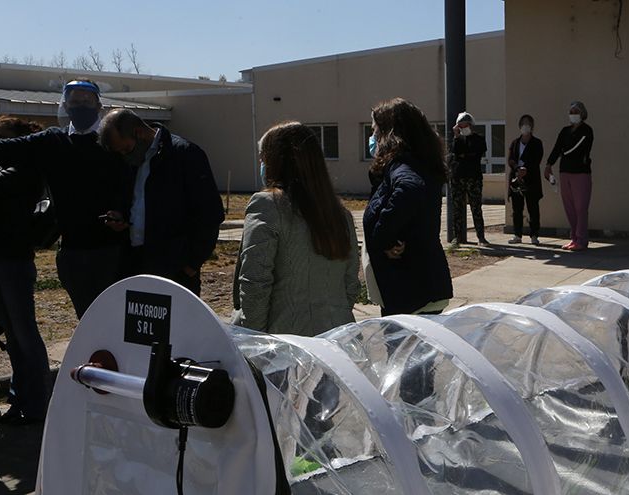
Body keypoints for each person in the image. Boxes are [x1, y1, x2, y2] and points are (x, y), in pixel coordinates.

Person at [0, 79, 132, 318]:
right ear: (65, 105)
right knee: (87, 320)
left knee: (115, 319)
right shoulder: (52, 140)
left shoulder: (114, 142)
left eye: (86, 100)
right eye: (74, 100)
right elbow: (3, 148)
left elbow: (132, 186)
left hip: (111, 251)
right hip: (70, 252)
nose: (80, 105)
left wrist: (124, 213)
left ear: (98, 104)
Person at [231, 121, 359, 336]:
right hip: (335, 337)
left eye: (263, 159)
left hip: (283, 342)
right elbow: (351, 282)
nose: (261, 164)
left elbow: (255, 283)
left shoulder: (268, 205)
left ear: (276, 161)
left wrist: (254, 340)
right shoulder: (339, 214)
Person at [98, 109, 224, 295]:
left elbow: (210, 214)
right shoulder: (132, 161)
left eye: (125, 149)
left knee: (177, 324)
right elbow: (137, 203)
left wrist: (191, 264)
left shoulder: (184, 154)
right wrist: (122, 216)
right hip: (135, 264)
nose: (124, 156)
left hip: (175, 271)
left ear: (138, 133)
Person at [0, 117, 52, 425]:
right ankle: (19, 399)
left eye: (3, 139)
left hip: (13, 262)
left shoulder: (26, 169)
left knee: (23, 335)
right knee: (11, 334)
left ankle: (36, 404)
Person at [363, 98, 453, 316]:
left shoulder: (402, 165)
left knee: (402, 350)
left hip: (409, 290)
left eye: (375, 130)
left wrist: (383, 237)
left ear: (388, 132)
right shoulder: (423, 162)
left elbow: (409, 189)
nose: (373, 136)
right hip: (424, 285)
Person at [544, 100, 594, 251]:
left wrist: (563, 152)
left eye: (576, 112)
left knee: (580, 207)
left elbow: (575, 148)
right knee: (569, 207)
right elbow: (557, 147)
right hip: (565, 172)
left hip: (581, 173)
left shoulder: (587, 130)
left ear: (582, 113)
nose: (573, 115)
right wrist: (548, 164)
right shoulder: (564, 131)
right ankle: (574, 238)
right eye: (571, 112)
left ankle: (582, 239)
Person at [446, 111, 488, 246]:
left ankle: (481, 237)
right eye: (460, 126)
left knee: (476, 207)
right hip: (458, 177)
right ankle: (456, 237)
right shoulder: (457, 139)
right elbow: (455, 153)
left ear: (470, 125)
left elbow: (475, 154)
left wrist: (465, 155)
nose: (463, 129)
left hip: (473, 177)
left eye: (465, 126)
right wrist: (457, 137)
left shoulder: (479, 139)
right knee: (457, 208)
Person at [506, 114, 543, 245]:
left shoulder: (537, 143)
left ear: (532, 126)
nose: (525, 126)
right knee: (517, 209)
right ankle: (517, 235)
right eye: (523, 123)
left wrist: (525, 169)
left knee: (533, 208)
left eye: (528, 123)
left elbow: (537, 159)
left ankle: (534, 235)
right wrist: (517, 169)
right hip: (517, 180)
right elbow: (510, 159)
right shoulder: (515, 143)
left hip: (531, 179)